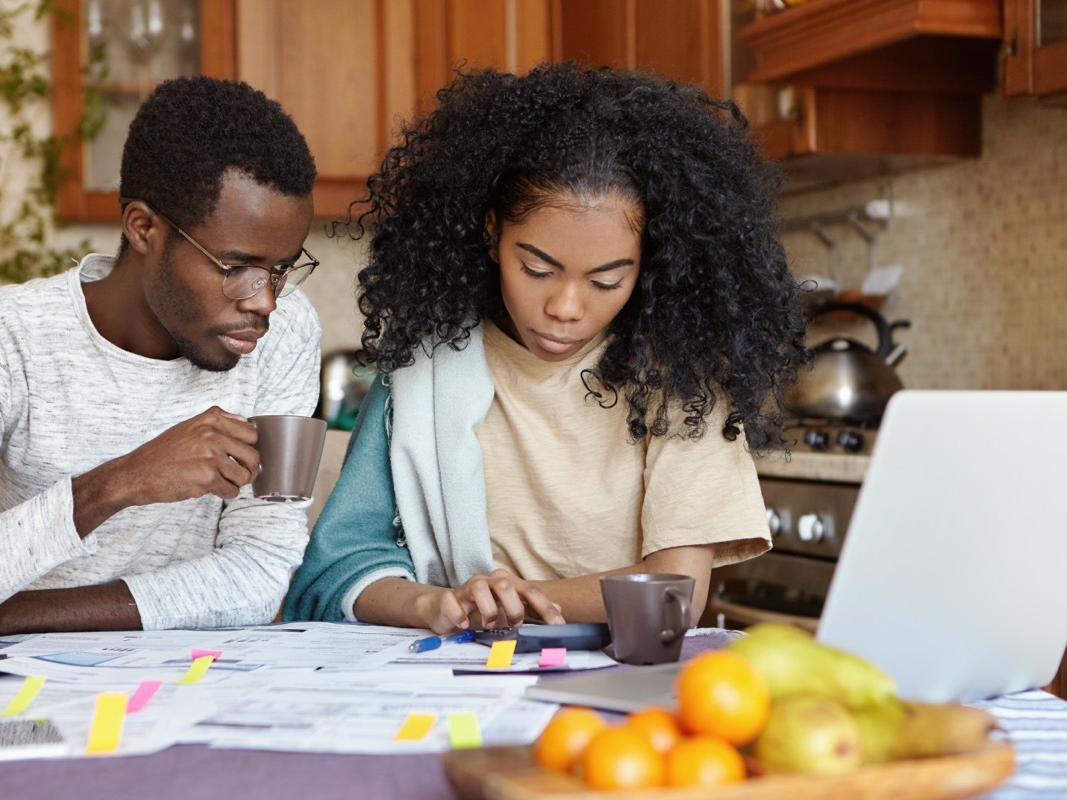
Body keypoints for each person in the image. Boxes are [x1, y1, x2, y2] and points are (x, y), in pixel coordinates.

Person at [283, 62, 809, 634]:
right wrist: (435, 604)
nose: (565, 306)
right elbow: (338, 567)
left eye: (606, 281)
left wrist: (508, 599)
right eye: (536, 268)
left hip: (618, 677)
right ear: (492, 234)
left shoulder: (680, 382)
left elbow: (672, 596)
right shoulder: (427, 365)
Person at [0, 76, 323, 635]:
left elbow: (259, 572)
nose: (265, 300)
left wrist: (10, 616)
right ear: (143, 228)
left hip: (189, 681)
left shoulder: (288, 331)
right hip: (13, 693)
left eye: (281, 269)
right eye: (235, 268)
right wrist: (121, 483)